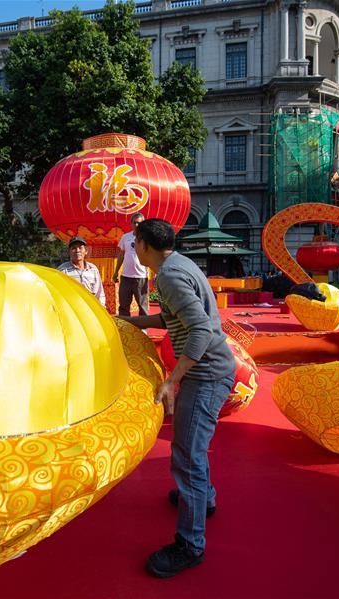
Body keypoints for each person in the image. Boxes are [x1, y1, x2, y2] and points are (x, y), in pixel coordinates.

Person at [119, 218, 235, 579]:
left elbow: (200, 328)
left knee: (186, 456)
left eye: (134, 242)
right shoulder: (176, 265)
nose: (132, 248)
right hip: (210, 369)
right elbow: (174, 319)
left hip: (206, 374)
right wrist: (130, 322)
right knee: (193, 449)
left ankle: (190, 544)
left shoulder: (168, 276)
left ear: (143, 245)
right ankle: (205, 500)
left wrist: (172, 380)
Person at [114, 212, 150, 316]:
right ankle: (125, 329)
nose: (137, 225)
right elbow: (121, 255)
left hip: (141, 277)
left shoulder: (147, 239)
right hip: (126, 277)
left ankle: (143, 330)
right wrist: (116, 272)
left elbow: (152, 256)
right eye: (134, 223)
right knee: (123, 306)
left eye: (139, 223)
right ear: (131, 224)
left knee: (143, 306)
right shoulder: (125, 237)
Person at [57, 236, 106, 306]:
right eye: (74, 248)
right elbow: (58, 293)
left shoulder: (93, 269)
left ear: (86, 251)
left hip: (91, 308)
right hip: (72, 309)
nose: (77, 250)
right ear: (69, 252)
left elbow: (99, 293)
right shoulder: (63, 270)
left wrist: (101, 308)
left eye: (80, 247)